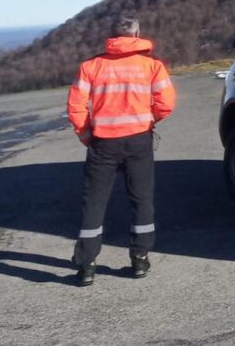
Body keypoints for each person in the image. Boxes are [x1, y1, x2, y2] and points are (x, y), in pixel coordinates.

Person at [66, 16, 175, 286]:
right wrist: (149, 120)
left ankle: (87, 265)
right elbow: (166, 103)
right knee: (141, 199)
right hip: (139, 140)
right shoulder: (152, 66)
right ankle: (139, 258)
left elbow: (76, 106)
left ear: (112, 36)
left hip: (102, 143)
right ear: (137, 33)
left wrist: (85, 133)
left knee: (94, 202)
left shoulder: (91, 66)